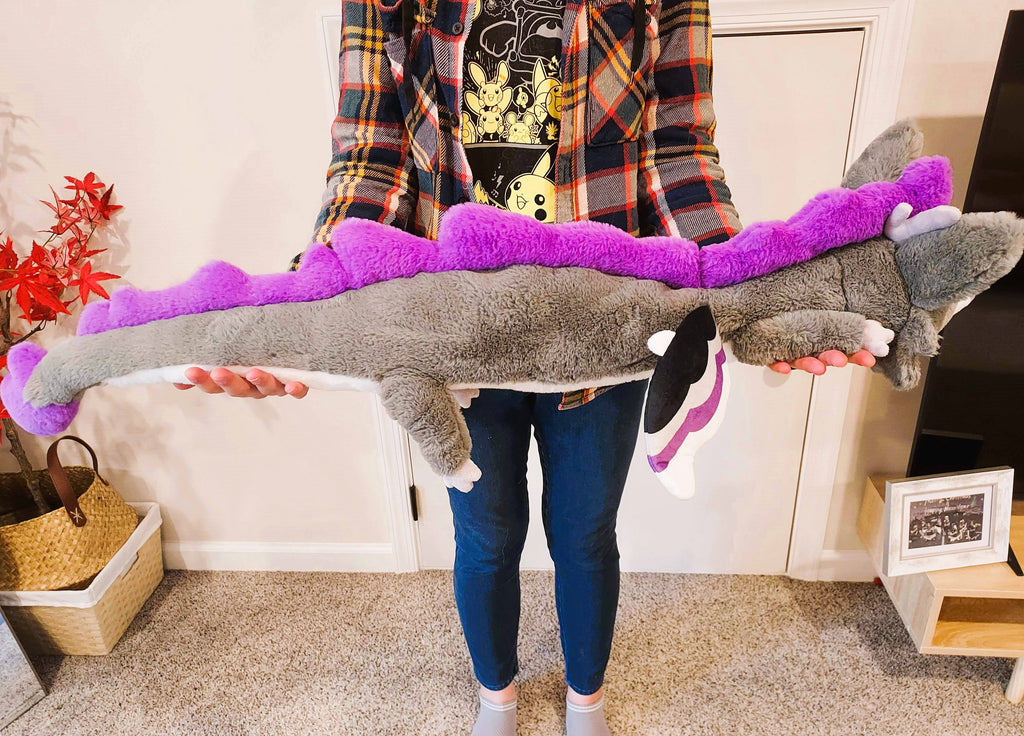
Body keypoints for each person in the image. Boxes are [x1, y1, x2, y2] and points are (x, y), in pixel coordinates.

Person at [176, 1, 875, 733]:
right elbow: (370, 152)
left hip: (603, 328)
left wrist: (743, 293)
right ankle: (496, 697)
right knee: (485, 533)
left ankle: (586, 701)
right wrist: (308, 303)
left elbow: (677, 150)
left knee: (584, 531)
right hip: (457, 335)